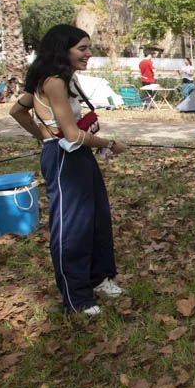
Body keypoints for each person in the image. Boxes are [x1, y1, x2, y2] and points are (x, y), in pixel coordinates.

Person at [9, 24, 129, 316]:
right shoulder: (53, 82)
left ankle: (98, 278)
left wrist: (48, 134)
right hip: (64, 160)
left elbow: (19, 109)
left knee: (97, 217)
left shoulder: (66, 79)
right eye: (82, 49)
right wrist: (109, 143)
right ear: (63, 50)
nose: (88, 54)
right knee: (72, 226)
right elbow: (72, 134)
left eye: (88, 48)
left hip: (80, 157)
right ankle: (76, 297)